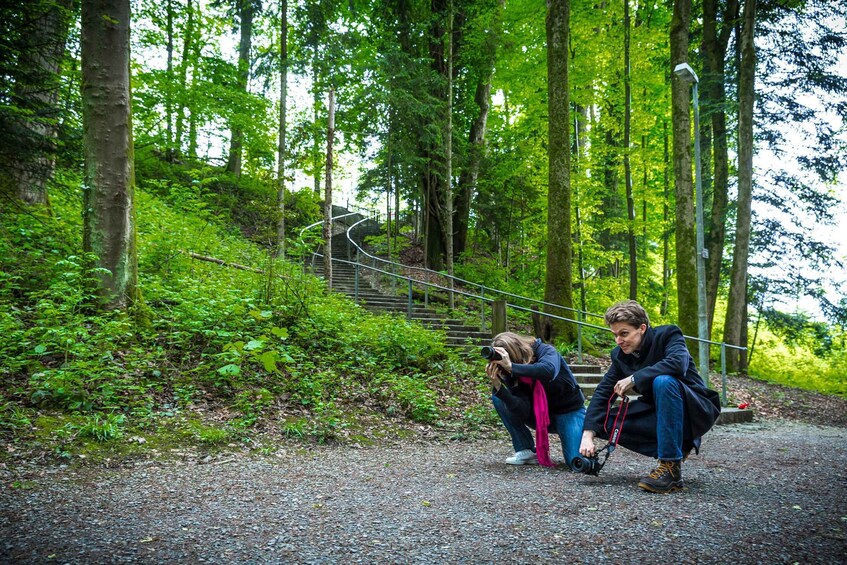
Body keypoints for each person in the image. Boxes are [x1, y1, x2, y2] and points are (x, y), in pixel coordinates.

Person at [579, 300, 721, 493]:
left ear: (642, 328)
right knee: (604, 420)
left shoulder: (668, 335)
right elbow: (604, 392)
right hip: (657, 412)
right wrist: (587, 435)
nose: (618, 341)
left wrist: (634, 378)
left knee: (663, 381)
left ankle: (670, 467)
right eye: (615, 335)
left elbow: (677, 363)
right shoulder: (620, 355)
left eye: (624, 334)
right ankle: (679, 445)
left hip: (694, 408)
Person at [487, 331, 586, 469]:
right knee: (499, 397)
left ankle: (584, 438)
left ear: (515, 352)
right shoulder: (511, 373)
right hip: (539, 416)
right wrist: (499, 387)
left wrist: (512, 367)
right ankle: (525, 449)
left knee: (576, 463)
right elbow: (522, 409)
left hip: (568, 412)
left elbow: (548, 371)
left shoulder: (544, 350)